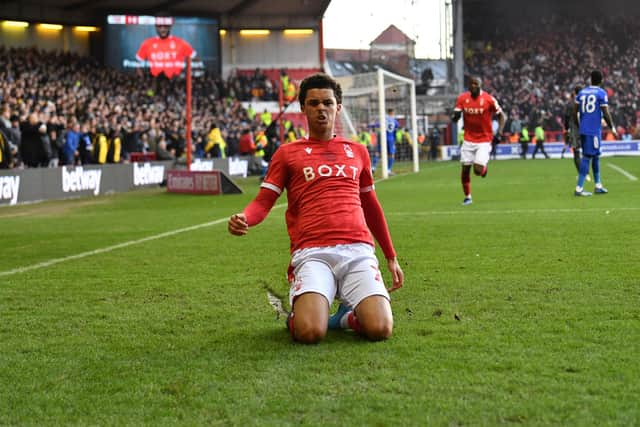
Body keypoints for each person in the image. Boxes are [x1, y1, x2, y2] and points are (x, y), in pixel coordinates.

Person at [227, 73, 404, 344]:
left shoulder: (357, 151)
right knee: (309, 332)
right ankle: (299, 313)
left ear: (338, 107)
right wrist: (245, 218)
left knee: (381, 328)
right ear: (303, 108)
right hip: (313, 253)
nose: (321, 108)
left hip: (357, 250)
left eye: (327, 102)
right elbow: (263, 202)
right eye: (313, 103)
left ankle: (345, 316)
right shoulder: (287, 153)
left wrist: (390, 256)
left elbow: (371, 205)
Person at [451, 76, 506, 205]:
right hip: (468, 139)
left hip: (484, 139)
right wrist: (455, 117)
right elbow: (455, 117)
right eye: (471, 84)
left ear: (481, 85)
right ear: (468, 85)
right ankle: (468, 197)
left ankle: (483, 169)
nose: (473, 86)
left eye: (476, 84)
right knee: (465, 169)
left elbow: (502, 116)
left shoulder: (489, 99)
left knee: (477, 170)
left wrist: (500, 132)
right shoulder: (462, 98)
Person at [573, 70, 617, 196]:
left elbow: (574, 111)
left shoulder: (581, 93)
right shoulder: (601, 93)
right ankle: (579, 188)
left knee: (596, 156)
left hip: (585, 129)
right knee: (587, 157)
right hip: (593, 131)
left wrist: (579, 125)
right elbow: (606, 112)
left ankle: (598, 185)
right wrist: (612, 128)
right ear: (601, 80)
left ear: (590, 79)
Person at [563, 85, 590, 180]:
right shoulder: (586, 103)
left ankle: (583, 174)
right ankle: (587, 172)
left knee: (576, 153)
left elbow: (566, 118)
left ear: (574, 92)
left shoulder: (570, 104)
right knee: (586, 152)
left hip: (574, 130)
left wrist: (566, 128)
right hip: (585, 129)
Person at [372, 108, 399, 175]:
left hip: (382, 138)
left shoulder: (383, 119)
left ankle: (373, 167)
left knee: (378, 153)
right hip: (390, 139)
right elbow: (395, 131)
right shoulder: (395, 121)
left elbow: (376, 125)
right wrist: (394, 140)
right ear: (392, 112)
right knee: (391, 154)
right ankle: (388, 170)